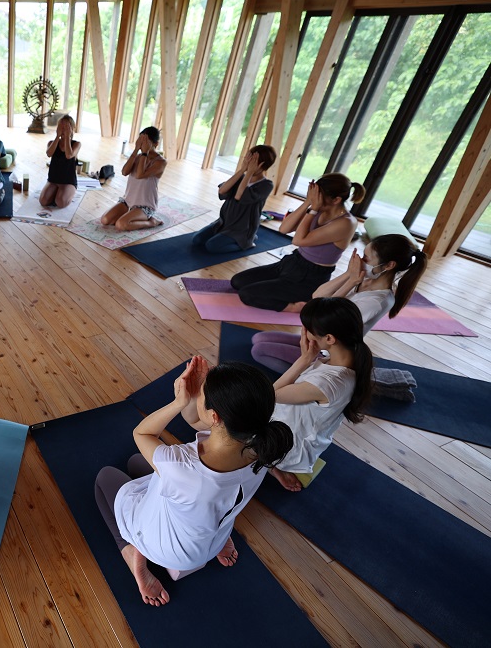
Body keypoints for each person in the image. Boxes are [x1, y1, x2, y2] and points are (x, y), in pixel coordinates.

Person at [96, 357, 293, 606]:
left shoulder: (180, 465)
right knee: (138, 462)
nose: (199, 394)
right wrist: (196, 396)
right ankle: (217, 540)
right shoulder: (261, 447)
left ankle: (133, 552)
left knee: (106, 477)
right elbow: (195, 421)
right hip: (212, 536)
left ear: (214, 416)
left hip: (171, 552)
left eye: (202, 393)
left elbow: (142, 432)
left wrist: (178, 402)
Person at [251, 235, 428, 373]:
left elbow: (321, 313)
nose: (360, 261)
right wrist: (349, 276)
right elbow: (317, 296)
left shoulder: (377, 301)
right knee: (258, 338)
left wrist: (351, 281)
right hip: (319, 341)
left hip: (330, 355)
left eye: (366, 259)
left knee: (259, 350)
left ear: (389, 265)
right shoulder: (363, 279)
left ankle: (307, 377)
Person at [268, 297, 373, 492]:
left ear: (330, 339)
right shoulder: (341, 360)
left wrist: (304, 359)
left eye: (307, 329)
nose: (304, 332)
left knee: (227, 422)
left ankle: (275, 466)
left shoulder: (329, 382)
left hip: (288, 448)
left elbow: (271, 395)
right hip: (292, 429)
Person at [230, 173, 364, 312]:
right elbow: (284, 229)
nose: (315, 199)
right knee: (238, 281)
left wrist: (313, 210)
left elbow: (298, 240)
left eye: (318, 196)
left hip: (310, 277)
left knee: (247, 294)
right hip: (291, 262)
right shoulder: (318, 209)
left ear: (336, 200)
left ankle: (294, 307)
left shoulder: (346, 223)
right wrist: (307, 202)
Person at [192, 145, 277, 252]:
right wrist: (242, 170)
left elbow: (239, 196)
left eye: (252, 162)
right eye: (247, 160)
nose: (248, 164)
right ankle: (231, 237)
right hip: (224, 222)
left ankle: (248, 242)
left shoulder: (266, 185)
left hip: (242, 229)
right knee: (197, 240)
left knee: (211, 246)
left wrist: (249, 173)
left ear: (262, 165)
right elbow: (222, 191)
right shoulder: (240, 177)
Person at [100, 126, 166, 231]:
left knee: (121, 225)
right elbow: (124, 172)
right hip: (128, 201)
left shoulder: (160, 162)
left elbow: (140, 175)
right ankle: (130, 215)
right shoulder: (138, 156)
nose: (142, 144)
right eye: (141, 141)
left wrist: (145, 153)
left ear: (155, 144)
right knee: (105, 220)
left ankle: (151, 222)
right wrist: (136, 150)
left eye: (146, 142)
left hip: (145, 206)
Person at [39, 114, 80, 208]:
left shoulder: (76, 144)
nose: (63, 129)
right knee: (43, 201)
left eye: (66, 127)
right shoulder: (51, 143)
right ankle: (57, 192)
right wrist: (58, 136)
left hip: (68, 181)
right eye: (61, 127)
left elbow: (69, 155)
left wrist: (67, 137)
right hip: (53, 179)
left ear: (71, 129)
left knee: (60, 202)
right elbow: (49, 153)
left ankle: (66, 193)